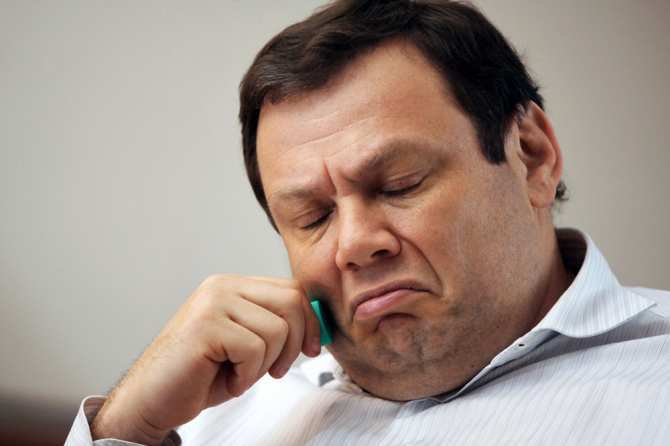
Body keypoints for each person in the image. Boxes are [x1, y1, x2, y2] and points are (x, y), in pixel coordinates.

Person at [66, 1, 670, 444]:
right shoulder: (204, 416)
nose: (354, 244)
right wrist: (126, 428)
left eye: (399, 184)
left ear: (531, 156)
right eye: (313, 217)